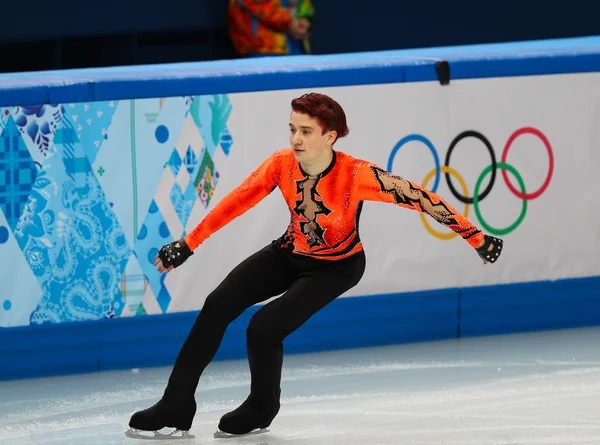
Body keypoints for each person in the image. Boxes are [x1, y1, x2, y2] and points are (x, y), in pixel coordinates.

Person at [126, 92, 504, 439]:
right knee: (217, 303)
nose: (296, 139)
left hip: (337, 267)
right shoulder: (281, 165)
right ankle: (176, 404)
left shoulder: (357, 175)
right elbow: (236, 201)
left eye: (306, 131)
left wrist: (476, 238)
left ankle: (261, 408)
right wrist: (188, 243)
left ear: (331, 137)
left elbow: (421, 198)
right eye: (292, 129)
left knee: (263, 328)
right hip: (288, 253)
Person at [228, 0, 314, 57]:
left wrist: (304, 18)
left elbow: (302, 4)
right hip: (262, 47)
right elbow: (254, 3)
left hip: (294, 45)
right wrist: (288, 23)